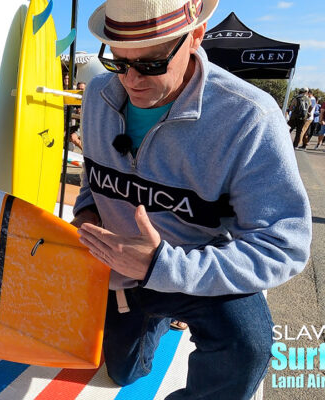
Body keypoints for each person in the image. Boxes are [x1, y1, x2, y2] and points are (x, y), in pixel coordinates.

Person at [72, 0, 311, 398]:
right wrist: (87, 212)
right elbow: (94, 176)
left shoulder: (249, 117)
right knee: (124, 374)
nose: (131, 80)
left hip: (196, 267)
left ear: (196, 36)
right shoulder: (98, 93)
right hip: (118, 268)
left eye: (150, 64)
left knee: (248, 345)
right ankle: (154, 319)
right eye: (118, 61)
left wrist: (163, 266)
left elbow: (283, 245)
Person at [70, 81, 86, 151]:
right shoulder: (75, 100)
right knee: (63, 133)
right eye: (78, 88)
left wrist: (82, 112)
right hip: (79, 125)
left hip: (86, 125)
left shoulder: (87, 100)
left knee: (73, 137)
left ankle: (86, 153)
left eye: (82, 89)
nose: (80, 90)